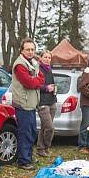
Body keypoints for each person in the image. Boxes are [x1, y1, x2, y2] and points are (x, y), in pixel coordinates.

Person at [11, 38, 54, 170]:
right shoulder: (20, 65)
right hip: (23, 104)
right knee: (25, 133)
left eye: (32, 49)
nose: (30, 52)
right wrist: (37, 80)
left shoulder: (31, 62)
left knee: (31, 133)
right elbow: (30, 83)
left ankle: (28, 157)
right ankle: (23, 161)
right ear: (22, 50)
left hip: (31, 104)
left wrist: (37, 79)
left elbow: (38, 78)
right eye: (27, 49)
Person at [36, 50, 57, 158]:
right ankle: (46, 147)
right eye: (45, 57)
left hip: (52, 101)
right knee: (50, 127)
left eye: (49, 57)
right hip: (42, 102)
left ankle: (41, 149)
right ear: (40, 58)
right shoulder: (38, 70)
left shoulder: (49, 70)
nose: (47, 59)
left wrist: (54, 89)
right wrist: (46, 88)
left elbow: (51, 84)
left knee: (45, 127)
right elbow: (35, 85)